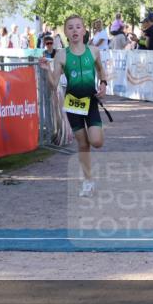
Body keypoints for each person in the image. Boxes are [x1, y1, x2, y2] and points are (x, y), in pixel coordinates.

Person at [41, 15, 109, 197]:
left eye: (78, 27)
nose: (75, 30)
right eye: (70, 27)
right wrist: (48, 71)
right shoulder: (61, 55)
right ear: (65, 33)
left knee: (97, 142)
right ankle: (88, 181)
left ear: (84, 30)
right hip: (73, 104)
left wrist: (103, 84)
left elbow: (101, 69)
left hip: (91, 101)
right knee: (83, 143)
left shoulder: (94, 51)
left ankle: (95, 133)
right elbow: (54, 85)